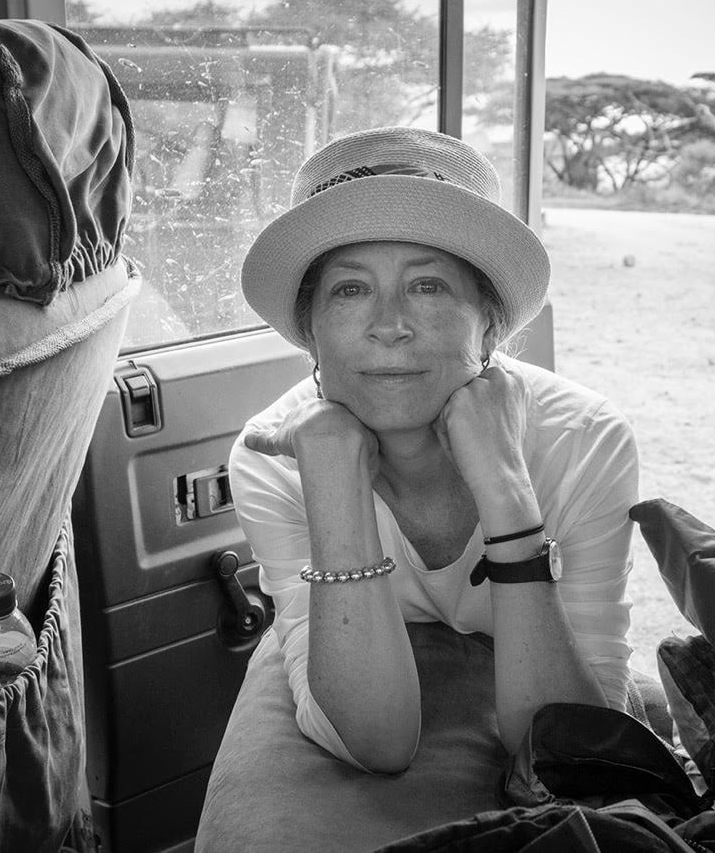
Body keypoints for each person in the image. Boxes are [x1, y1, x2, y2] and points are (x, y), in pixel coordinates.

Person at [230, 126, 641, 774]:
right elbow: (376, 741)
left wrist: (507, 496)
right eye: (350, 289)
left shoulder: (584, 441)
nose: (390, 325)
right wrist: (335, 485)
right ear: (309, 333)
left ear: (490, 325)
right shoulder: (270, 457)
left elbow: (574, 749)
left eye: (428, 286)